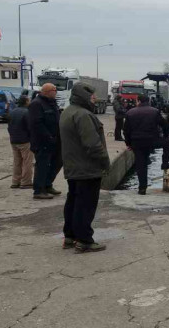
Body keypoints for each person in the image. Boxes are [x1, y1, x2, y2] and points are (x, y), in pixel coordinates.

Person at [59, 82, 110, 253]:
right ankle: (84, 240)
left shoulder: (68, 112)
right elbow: (93, 145)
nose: (95, 99)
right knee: (85, 205)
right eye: (92, 96)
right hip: (87, 168)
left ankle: (70, 236)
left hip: (73, 167)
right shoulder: (83, 115)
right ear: (84, 96)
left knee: (73, 202)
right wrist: (105, 162)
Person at [124, 94, 169, 195]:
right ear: (148, 101)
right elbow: (165, 125)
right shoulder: (154, 111)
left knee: (141, 165)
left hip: (137, 143)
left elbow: (126, 131)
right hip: (152, 141)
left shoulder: (130, 112)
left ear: (138, 101)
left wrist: (129, 143)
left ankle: (142, 188)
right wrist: (165, 136)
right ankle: (165, 163)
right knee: (168, 142)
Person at [28, 83, 63, 200]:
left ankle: (48, 184)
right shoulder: (36, 104)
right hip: (42, 142)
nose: (56, 92)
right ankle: (39, 190)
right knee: (42, 165)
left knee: (58, 162)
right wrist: (48, 137)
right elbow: (37, 124)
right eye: (54, 90)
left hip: (56, 140)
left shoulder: (52, 103)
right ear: (47, 91)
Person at [7, 96, 34, 189]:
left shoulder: (12, 111)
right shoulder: (27, 112)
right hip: (25, 140)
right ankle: (26, 182)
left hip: (13, 140)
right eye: (29, 100)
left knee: (17, 161)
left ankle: (15, 181)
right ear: (26, 102)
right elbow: (30, 127)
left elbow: (9, 126)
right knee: (27, 162)